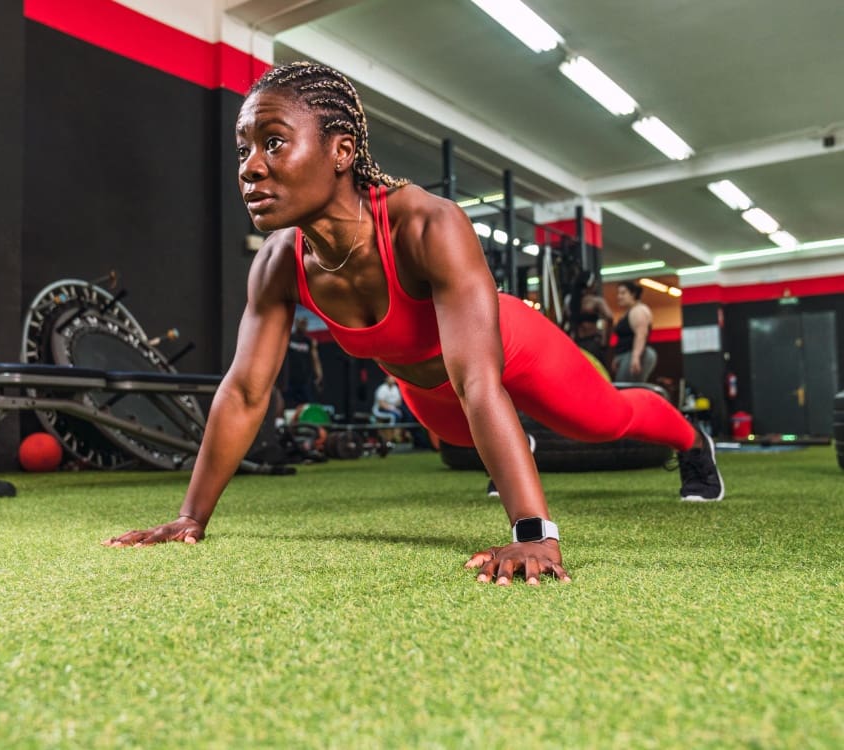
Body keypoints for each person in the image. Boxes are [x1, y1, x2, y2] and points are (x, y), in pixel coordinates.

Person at [104, 61, 724, 584]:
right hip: (427, 390)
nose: (249, 167)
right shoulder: (277, 264)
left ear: (342, 150)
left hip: (507, 351)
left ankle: (693, 441)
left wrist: (534, 532)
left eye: (273, 142)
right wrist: (191, 517)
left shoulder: (427, 224)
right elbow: (244, 391)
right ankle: (515, 446)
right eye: (244, 149)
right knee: (461, 436)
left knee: (602, 423)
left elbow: (479, 380)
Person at [567, 270, 613, 370]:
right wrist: (605, 340)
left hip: (576, 344)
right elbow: (609, 317)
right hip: (592, 343)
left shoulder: (570, 303)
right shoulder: (595, 301)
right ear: (590, 285)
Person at [612, 281, 657, 383]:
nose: (619, 296)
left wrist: (636, 357)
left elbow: (641, 335)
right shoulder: (630, 311)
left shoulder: (639, 311)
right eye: (618, 293)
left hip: (634, 355)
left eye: (623, 293)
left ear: (633, 294)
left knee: (628, 388)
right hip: (626, 356)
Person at [281, 316, 323, 408]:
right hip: (289, 380)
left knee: (308, 405)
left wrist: (319, 375)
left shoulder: (309, 341)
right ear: (296, 323)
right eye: (301, 323)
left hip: (305, 381)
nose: (304, 326)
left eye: (305, 324)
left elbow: (315, 359)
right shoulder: (289, 338)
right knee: (287, 405)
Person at [372, 373, 404, 442]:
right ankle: (390, 436)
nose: (392, 379)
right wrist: (393, 408)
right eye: (390, 378)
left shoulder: (396, 388)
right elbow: (381, 404)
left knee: (405, 414)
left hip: (393, 410)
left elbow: (399, 402)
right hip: (379, 410)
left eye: (393, 378)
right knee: (394, 416)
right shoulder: (382, 388)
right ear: (386, 379)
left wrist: (394, 408)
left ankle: (398, 435)